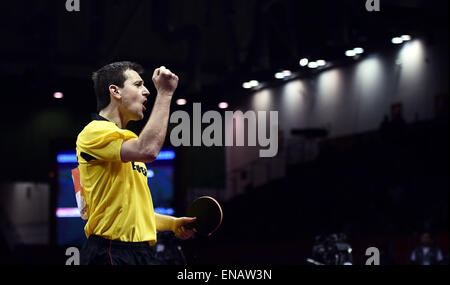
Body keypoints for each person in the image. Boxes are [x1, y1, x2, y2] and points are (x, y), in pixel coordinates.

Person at [76, 61, 196, 265]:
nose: (147, 91)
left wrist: (173, 224)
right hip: (111, 251)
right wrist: (165, 94)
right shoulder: (93, 132)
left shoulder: (126, 143)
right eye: (138, 84)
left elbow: (134, 213)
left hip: (140, 252)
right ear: (115, 91)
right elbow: (147, 149)